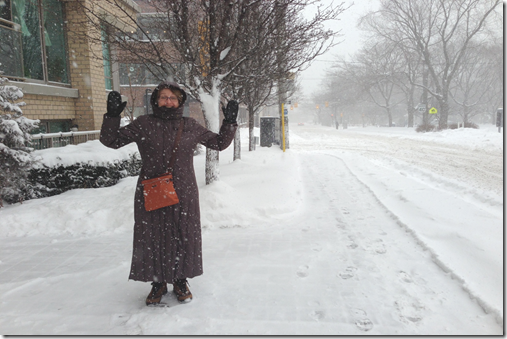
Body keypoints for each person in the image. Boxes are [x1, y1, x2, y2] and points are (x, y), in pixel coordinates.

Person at [100, 81, 238, 305]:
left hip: (183, 190)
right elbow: (110, 141)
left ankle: (180, 280)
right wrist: (112, 116)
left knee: (182, 233)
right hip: (152, 188)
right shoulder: (144, 124)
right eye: (163, 97)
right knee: (152, 235)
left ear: (180, 102)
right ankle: (158, 282)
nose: (168, 101)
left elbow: (220, 143)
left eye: (173, 98)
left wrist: (230, 122)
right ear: (155, 100)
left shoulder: (190, 125)